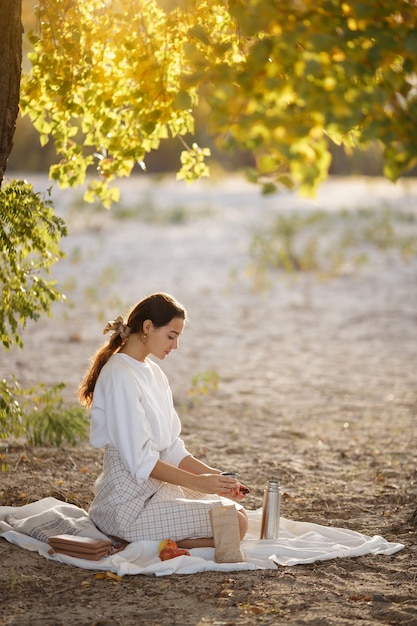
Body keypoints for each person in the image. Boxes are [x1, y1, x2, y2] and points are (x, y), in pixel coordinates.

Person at [79, 292, 248, 549]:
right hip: (127, 503)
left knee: (236, 511)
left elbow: (171, 448)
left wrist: (218, 479)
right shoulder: (119, 374)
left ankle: (154, 540)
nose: (175, 346)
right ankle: (127, 538)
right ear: (148, 327)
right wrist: (199, 483)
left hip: (158, 486)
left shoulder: (154, 372)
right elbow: (140, 461)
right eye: (171, 336)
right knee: (234, 522)